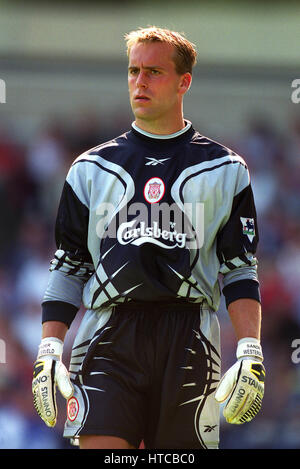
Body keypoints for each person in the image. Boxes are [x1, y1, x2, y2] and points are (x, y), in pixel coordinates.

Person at [32, 26, 265, 450]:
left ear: (183, 82)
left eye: (154, 72)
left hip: (190, 338)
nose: (139, 82)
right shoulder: (90, 168)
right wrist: (49, 347)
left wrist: (251, 349)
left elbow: (240, 269)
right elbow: (69, 264)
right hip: (109, 335)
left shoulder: (226, 170)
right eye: (133, 71)